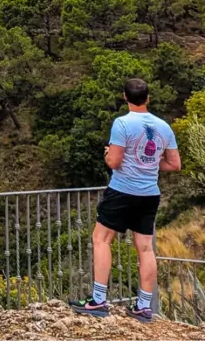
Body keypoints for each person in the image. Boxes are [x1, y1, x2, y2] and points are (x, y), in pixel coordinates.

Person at [69, 78, 180, 323]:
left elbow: (115, 162)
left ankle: (98, 300)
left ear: (125, 97)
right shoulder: (164, 127)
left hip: (122, 191)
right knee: (145, 248)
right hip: (149, 193)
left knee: (101, 239)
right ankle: (143, 306)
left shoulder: (122, 123)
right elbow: (174, 163)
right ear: (148, 98)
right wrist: (148, 163)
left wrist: (108, 155)